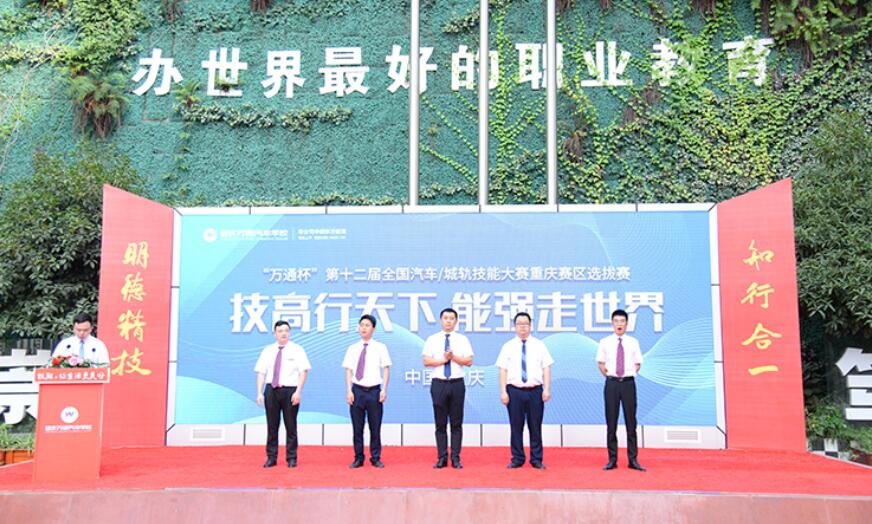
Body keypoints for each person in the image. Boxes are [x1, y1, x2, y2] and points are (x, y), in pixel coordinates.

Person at [496, 312, 553, 469]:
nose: (523, 327)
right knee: (516, 426)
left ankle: (536, 459)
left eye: (525, 324)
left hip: (535, 391)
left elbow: (546, 367)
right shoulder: (508, 346)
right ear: (515, 326)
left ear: (530, 326)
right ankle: (517, 458)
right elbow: (502, 370)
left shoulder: (539, 345)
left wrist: (547, 389)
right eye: (519, 324)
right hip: (514, 391)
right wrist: (503, 392)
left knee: (535, 426)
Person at [254, 320, 311, 468]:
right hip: (271, 390)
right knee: (272, 426)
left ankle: (291, 457)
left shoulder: (297, 349)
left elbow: (303, 371)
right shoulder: (268, 350)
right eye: (280, 331)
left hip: (290, 390)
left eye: (286, 330)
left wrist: (298, 391)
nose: (283, 333)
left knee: (290, 426)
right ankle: (271, 457)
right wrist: (259, 392)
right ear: (275, 334)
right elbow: (261, 372)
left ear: (289, 333)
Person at [422, 307, 474, 469]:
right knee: (440, 423)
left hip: (457, 384)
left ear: (456, 321)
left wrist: (453, 357)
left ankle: (456, 458)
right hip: (439, 384)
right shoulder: (432, 339)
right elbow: (426, 361)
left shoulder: (462, 340)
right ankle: (442, 458)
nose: (448, 321)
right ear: (441, 320)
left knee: (456, 423)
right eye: (446, 318)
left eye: (452, 318)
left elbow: (469, 361)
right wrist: (444, 360)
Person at [597, 309, 645, 471]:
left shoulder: (633, 342)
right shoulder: (605, 342)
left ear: (627, 324)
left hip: (628, 384)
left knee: (631, 422)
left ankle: (633, 459)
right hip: (612, 384)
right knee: (611, 422)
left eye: (622, 321)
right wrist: (613, 377)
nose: (619, 324)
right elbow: (601, 364)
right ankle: (612, 459)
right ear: (612, 323)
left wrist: (626, 375)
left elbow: (638, 363)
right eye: (616, 321)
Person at [342, 314, 392, 469]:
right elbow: (348, 370)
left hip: (374, 392)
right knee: (357, 428)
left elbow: (386, 369)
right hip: (357, 391)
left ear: (373, 329)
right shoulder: (352, 348)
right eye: (361, 325)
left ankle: (375, 457)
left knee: (375, 427)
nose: (363, 328)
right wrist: (349, 390)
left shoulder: (380, 347)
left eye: (367, 325)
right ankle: (358, 458)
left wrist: (384, 389)